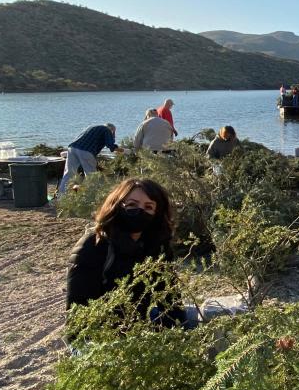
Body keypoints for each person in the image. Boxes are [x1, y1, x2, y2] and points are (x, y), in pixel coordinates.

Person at [65, 178, 196, 331]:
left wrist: (181, 333)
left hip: (137, 321)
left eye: (148, 207)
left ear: (157, 213)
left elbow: (169, 296)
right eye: (132, 205)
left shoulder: (155, 245)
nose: (140, 211)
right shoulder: (95, 245)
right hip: (98, 333)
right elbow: (78, 311)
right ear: (117, 205)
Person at [56, 123, 121, 198]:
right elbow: (111, 146)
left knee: (68, 174)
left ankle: (61, 197)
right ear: (111, 129)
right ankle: (90, 197)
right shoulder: (106, 130)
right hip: (86, 152)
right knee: (91, 176)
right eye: (113, 132)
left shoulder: (92, 127)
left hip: (72, 148)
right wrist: (125, 151)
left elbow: (79, 140)